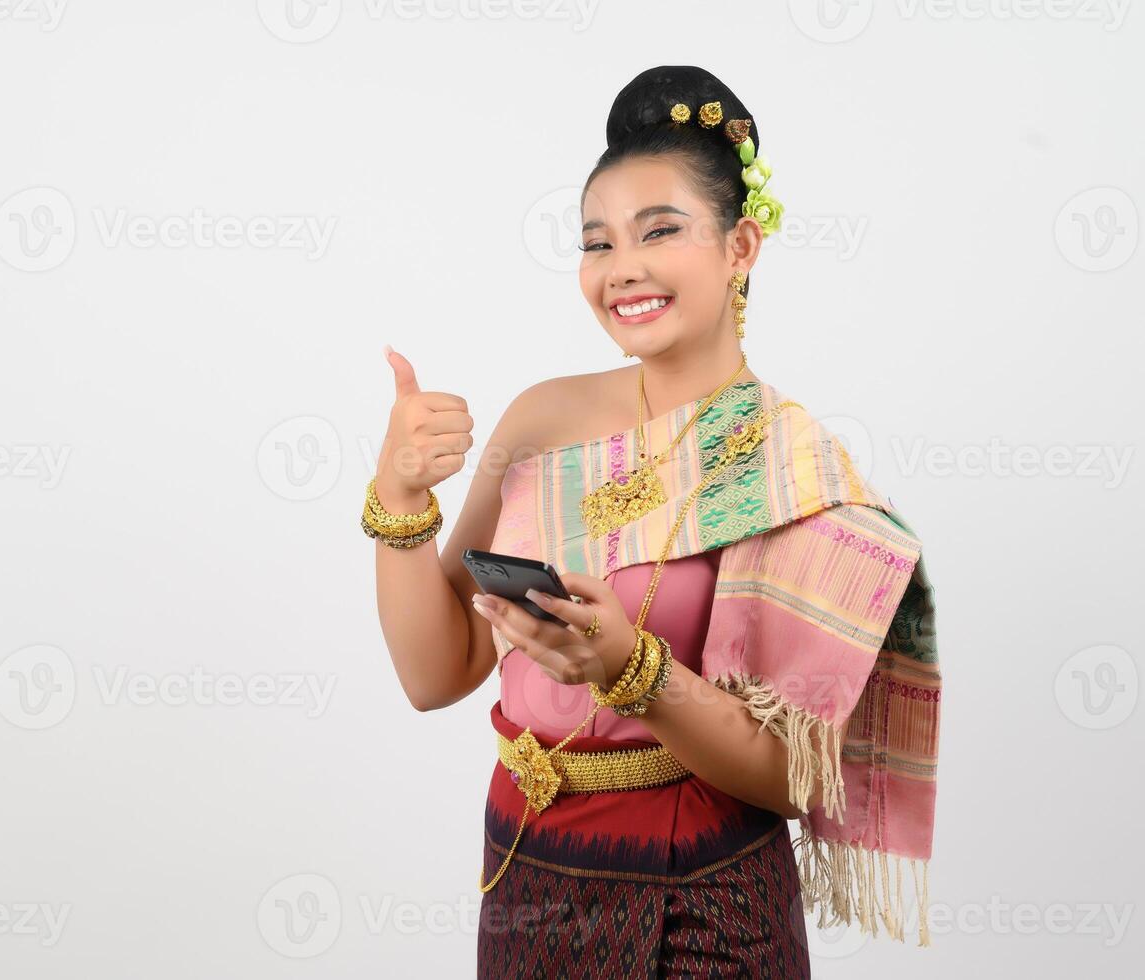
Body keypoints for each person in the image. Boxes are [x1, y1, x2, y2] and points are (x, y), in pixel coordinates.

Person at [366, 65, 940, 978]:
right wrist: (399, 498)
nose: (620, 268)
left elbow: (796, 777)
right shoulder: (540, 420)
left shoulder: (790, 469)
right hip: (524, 872)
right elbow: (438, 675)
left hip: (700, 896)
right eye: (596, 243)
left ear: (740, 246)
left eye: (659, 231)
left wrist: (629, 671)